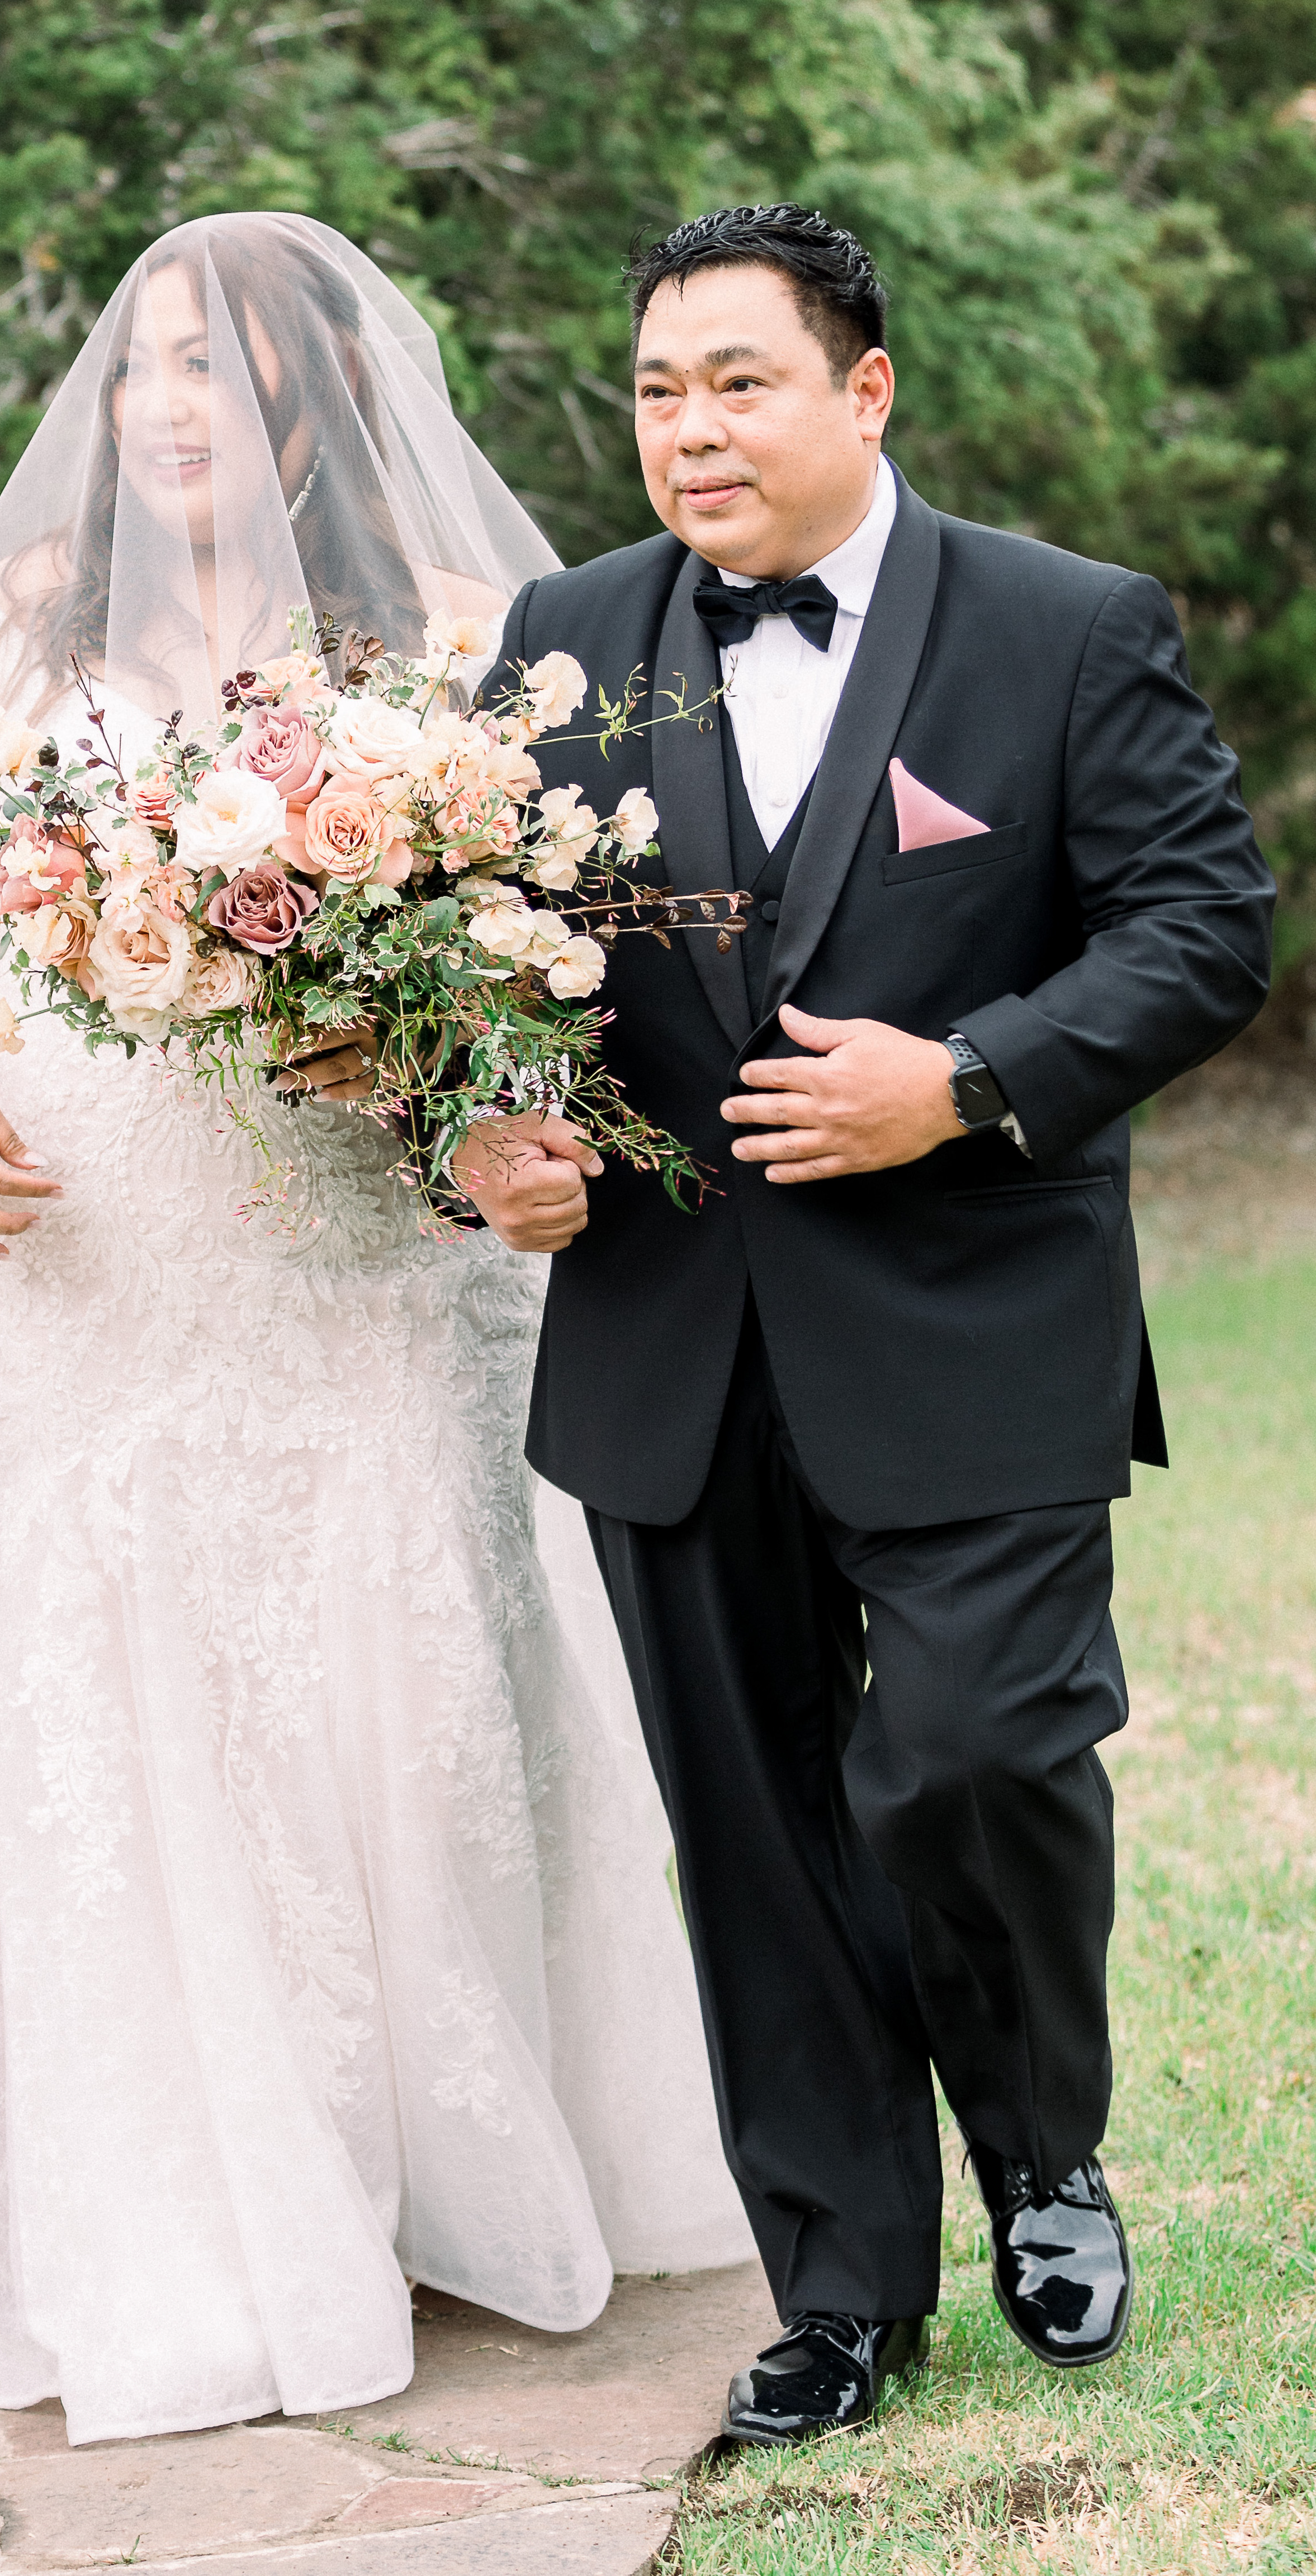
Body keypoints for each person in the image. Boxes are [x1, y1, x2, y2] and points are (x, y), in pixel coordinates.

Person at [0, 211, 753, 2449]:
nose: (172, 406)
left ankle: (418, 2155)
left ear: (318, 395)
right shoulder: (18, 627)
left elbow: (551, 953)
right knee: (113, 1667)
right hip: (73, 1245)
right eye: (143, 369)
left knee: (390, 1652)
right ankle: (161, 2203)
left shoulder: (450, 641)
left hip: (349, 1238)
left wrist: (440, 1075)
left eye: (217, 367)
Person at [468, 205, 1275, 2443]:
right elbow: (458, 976)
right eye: (654, 391)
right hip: (663, 1344)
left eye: (736, 381)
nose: (689, 428)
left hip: (971, 1329)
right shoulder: (556, 645)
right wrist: (477, 1141)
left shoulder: (1061, 627)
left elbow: (1203, 927)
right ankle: (837, 2291)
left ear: (865, 391)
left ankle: (1037, 2150)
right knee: (749, 1831)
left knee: (976, 1757)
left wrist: (972, 1078)